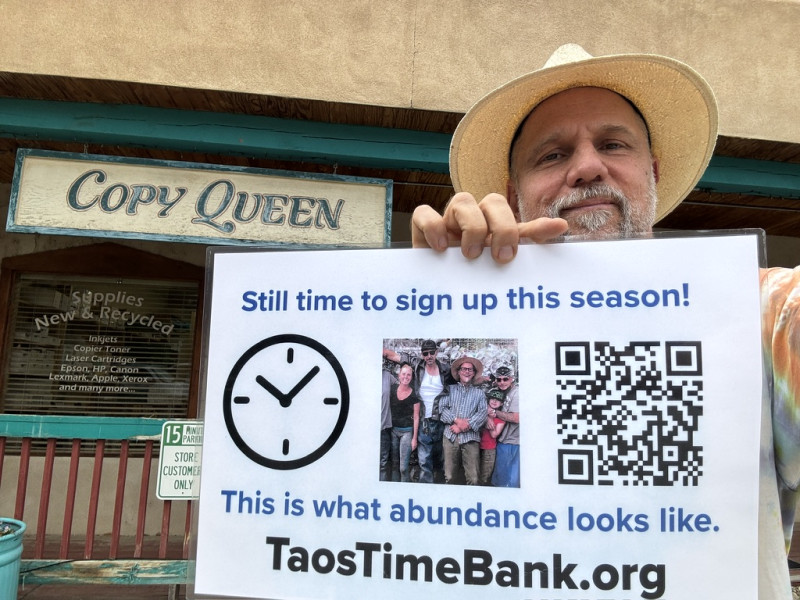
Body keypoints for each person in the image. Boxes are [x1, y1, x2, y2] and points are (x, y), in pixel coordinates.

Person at [411, 43, 800, 598]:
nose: (587, 167)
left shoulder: (756, 308)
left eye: (613, 144)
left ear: (653, 172)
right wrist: (428, 292)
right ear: (514, 196)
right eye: (552, 155)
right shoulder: (479, 317)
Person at [383, 340, 455, 483]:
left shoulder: (445, 369)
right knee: (424, 461)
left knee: (440, 460)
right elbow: (394, 356)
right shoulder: (416, 365)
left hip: (440, 420)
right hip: (423, 421)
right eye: (425, 353)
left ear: (436, 352)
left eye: (432, 352)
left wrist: (483, 378)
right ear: (422, 355)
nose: (429, 356)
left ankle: (438, 489)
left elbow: (463, 376)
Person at [437, 356, 488, 485]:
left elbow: (482, 413)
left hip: (471, 438)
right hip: (450, 436)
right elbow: (441, 409)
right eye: (464, 369)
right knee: (450, 476)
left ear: (474, 373)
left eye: (470, 370)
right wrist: (456, 420)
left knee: (473, 478)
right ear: (458, 372)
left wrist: (464, 426)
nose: (467, 372)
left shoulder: (479, 394)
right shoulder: (450, 389)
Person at [388, 363, 420, 482]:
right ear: (399, 375)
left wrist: (414, 439)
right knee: (394, 465)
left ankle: (404, 487)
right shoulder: (392, 390)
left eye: (409, 375)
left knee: (403, 468)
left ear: (411, 377)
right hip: (393, 431)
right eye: (404, 374)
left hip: (407, 432)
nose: (406, 377)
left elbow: (416, 417)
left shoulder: (414, 395)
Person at [489, 365, 520, 487]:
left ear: (511, 379)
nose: (502, 382)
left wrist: (494, 413)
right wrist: (488, 417)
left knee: (511, 481)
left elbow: (516, 418)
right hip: (501, 441)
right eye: (499, 379)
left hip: (512, 442)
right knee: (500, 478)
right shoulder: (498, 391)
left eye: (505, 379)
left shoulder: (516, 393)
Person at [479, 387, 506, 485]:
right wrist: (486, 416)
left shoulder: (501, 419)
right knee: (475, 471)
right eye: (492, 398)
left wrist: (490, 419)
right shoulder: (482, 412)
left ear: (501, 403)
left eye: (498, 400)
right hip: (477, 445)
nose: (494, 401)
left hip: (489, 449)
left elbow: (494, 434)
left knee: (485, 474)